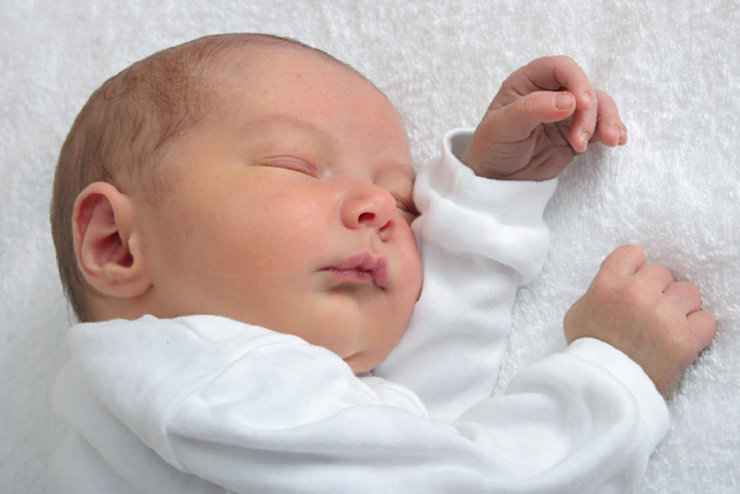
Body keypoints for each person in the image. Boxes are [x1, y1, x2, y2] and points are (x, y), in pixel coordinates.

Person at [50, 33, 716, 493]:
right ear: (116, 243)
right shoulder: (200, 377)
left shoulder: (232, 404)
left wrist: (486, 194)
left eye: (404, 203)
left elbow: (420, 426)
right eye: (296, 165)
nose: (379, 208)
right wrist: (615, 377)